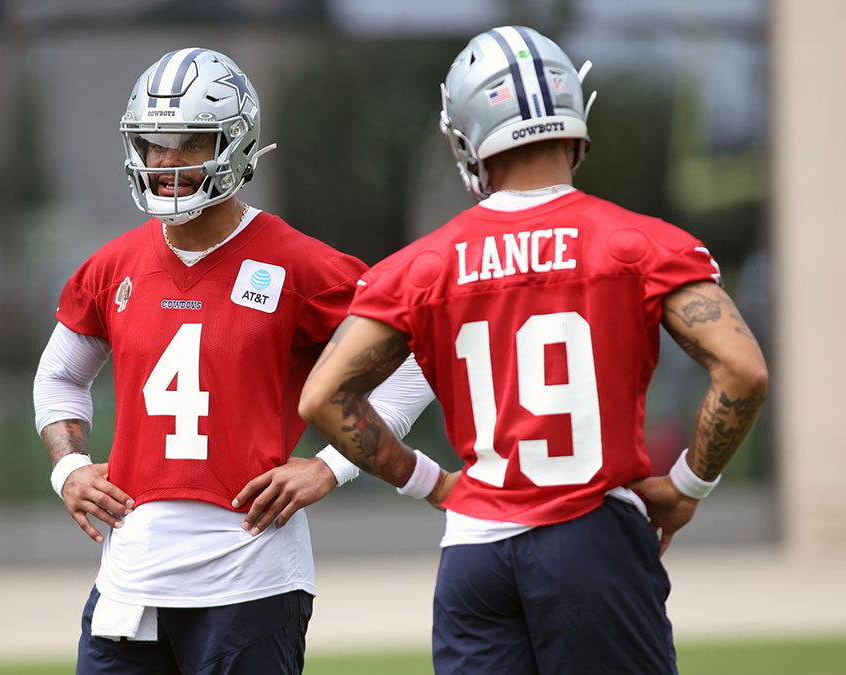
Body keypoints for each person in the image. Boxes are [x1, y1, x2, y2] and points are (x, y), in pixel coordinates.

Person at [298, 26, 768, 674]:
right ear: (574, 120)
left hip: (474, 554)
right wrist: (689, 483)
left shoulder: (422, 265)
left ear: (466, 135)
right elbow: (742, 369)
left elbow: (323, 397)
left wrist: (430, 482)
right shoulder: (640, 243)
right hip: (592, 533)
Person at [32, 47, 434, 674]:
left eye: (190, 143)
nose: (166, 164)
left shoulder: (301, 264)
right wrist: (69, 469)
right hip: (131, 574)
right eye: (153, 144)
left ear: (235, 143)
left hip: (251, 574)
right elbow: (59, 376)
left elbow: (414, 362)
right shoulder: (111, 266)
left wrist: (331, 468)